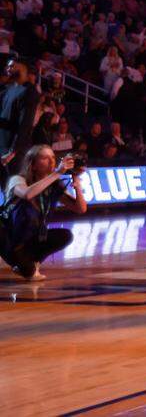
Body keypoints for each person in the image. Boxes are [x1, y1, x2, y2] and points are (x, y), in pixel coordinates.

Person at [0, 145, 86, 280]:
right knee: (27, 271)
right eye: (45, 158)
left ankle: (33, 263)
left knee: (65, 235)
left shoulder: (54, 185)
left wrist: (77, 184)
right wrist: (57, 173)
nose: (51, 161)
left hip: (32, 238)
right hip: (10, 237)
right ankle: (22, 263)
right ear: (33, 164)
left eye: (53, 157)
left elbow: (80, 209)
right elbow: (28, 194)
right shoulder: (17, 179)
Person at [0, 58, 41, 188]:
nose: (8, 69)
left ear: (23, 68)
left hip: (15, 152)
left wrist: (13, 151)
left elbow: (25, 123)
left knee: (13, 189)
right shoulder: (7, 90)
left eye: (12, 66)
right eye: (7, 66)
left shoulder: (29, 91)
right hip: (1, 146)